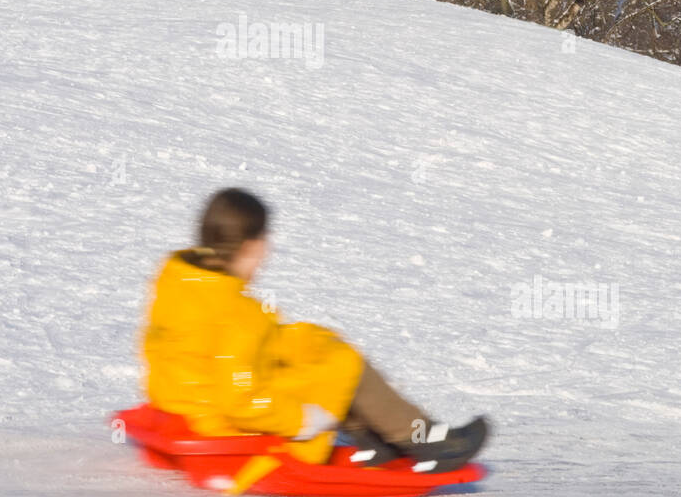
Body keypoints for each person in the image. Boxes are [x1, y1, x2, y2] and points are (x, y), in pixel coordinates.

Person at [142, 188, 488, 472]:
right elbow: (241, 399)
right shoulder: (236, 315)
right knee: (343, 364)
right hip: (222, 419)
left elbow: (218, 354)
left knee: (313, 345)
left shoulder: (179, 281)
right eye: (265, 241)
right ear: (250, 247)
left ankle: (374, 439)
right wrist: (301, 418)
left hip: (186, 401)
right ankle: (429, 443)